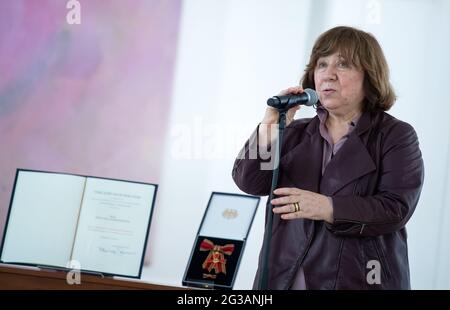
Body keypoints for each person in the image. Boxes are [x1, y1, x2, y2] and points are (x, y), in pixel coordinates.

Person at [232, 26, 424, 290]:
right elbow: (249, 181)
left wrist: (327, 207)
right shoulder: (293, 133)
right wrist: (268, 127)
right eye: (322, 64)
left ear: (370, 76)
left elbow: (395, 209)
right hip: (282, 280)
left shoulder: (395, 135)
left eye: (343, 64)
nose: (328, 74)